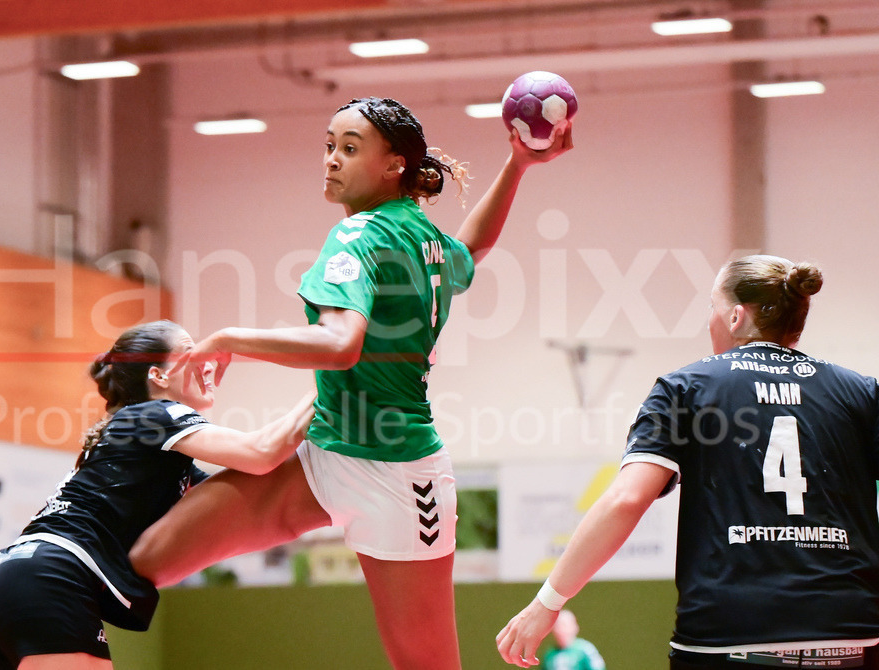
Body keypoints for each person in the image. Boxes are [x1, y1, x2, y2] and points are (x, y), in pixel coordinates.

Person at [128, 97, 573, 669]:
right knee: (148, 558)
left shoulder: (359, 236)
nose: (332, 160)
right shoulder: (418, 230)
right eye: (330, 146)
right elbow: (470, 253)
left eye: (350, 149)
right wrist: (517, 166)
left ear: (393, 166)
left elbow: (341, 347)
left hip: (399, 478)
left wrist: (232, 337)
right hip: (325, 451)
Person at [497, 255, 879, 669]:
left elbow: (627, 499)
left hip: (728, 636)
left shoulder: (686, 388)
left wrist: (548, 602)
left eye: (711, 308)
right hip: (851, 634)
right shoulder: (860, 392)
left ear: (735, 316)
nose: (708, 320)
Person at [0, 320, 315, 670]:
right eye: (192, 352)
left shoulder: (152, 447)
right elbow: (261, 453)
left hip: (6, 580)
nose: (207, 361)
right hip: (53, 575)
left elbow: (236, 491)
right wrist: (331, 386)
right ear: (158, 377)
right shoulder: (157, 413)